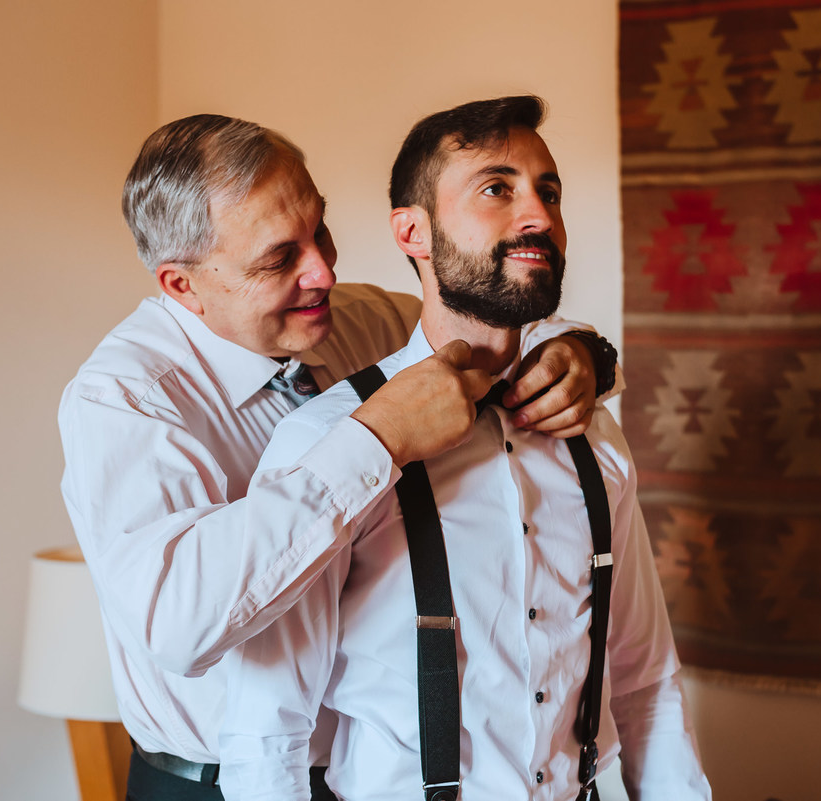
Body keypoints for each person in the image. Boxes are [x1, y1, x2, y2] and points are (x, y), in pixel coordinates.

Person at [57, 114, 621, 800]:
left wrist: (583, 353)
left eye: (319, 230)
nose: (324, 271)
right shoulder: (123, 400)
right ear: (182, 285)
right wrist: (373, 440)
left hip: (364, 776)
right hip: (207, 783)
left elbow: (484, 311)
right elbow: (180, 624)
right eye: (278, 258)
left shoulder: (353, 320)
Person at [219, 96, 709, 801]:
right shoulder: (326, 442)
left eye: (549, 191)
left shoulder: (593, 434)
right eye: (496, 188)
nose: (537, 214)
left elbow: (645, 679)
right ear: (412, 231)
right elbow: (267, 732)